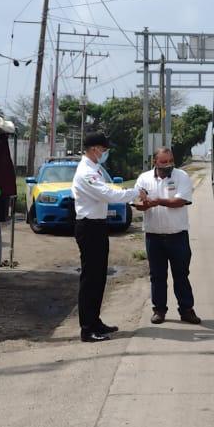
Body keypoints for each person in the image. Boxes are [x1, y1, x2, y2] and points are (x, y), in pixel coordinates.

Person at [73, 132, 144, 342]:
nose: (105, 153)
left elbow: (109, 191)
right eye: (104, 150)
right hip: (89, 227)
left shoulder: (94, 169)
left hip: (97, 226)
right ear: (95, 149)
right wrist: (136, 191)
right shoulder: (86, 172)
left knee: (99, 276)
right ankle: (87, 329)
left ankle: (95, 321)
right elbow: (109, 195)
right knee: (90, 278)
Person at [134, 148, 200, 325]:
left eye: (170, 160)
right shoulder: (144, 178)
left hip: (177, 236)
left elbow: (180, 201)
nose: (168, 164)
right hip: (153, 236)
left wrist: (157, 202)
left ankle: (186, 310)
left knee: (181, 275)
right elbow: (137, 201)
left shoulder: (181, 176)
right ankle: (159, 311)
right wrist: (142, 204)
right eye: (163, 162)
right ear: (154, 161)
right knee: (157, 276)